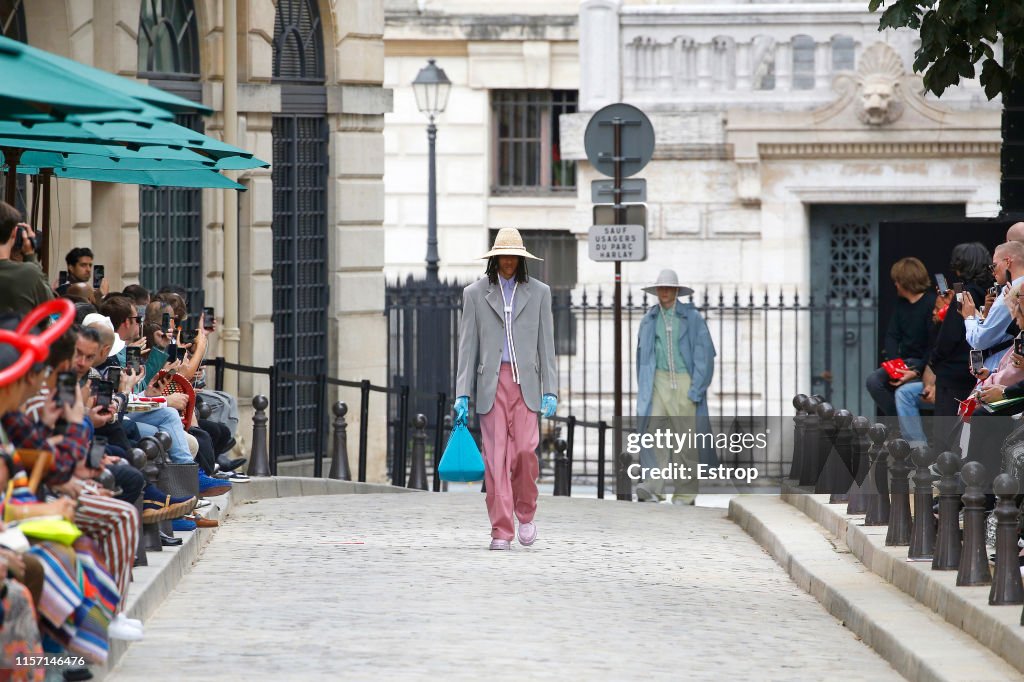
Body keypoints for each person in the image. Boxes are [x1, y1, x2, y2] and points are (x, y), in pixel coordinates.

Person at [455, 228, 557, 551]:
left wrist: (550, 389)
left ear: (522, 259)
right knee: (496, 460)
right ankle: (501, 529)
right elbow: (466, 347)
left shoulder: (540, 293)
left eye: (514, 256)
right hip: (491, 384)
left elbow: (547, 346)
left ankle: (525, 512)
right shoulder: (475, 294)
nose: (509, 261)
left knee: (525, 452)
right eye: (504, 256)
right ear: (495, 258)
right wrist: (462, 393)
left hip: (526, 384)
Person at [634, 269, 716, 505]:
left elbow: (705, 354)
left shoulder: (692, 318)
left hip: (684, 382)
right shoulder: (649, 319)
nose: (665, 292)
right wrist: (644, 388)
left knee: (686, 442)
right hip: (657, 382)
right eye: (661, 288)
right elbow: (642, 357)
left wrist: (697, 388)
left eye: (669, 287)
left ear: (677, 290)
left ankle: (685, 494)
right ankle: (653, 488)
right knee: (653, 435)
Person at [865, 257, 935, 419]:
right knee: (873, 381)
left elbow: (933, 345)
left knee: (903, 390)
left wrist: (917, 370)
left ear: (906, 281)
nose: (895, 285)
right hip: (904, 361)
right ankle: (898, 422)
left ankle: (903, 425)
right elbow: (891, 335)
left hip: (923, 362)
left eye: (897, 281)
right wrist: (896, 364)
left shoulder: (930, 303)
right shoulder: (901, 304)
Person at [961, 241, 1024, 371]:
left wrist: (969, 317)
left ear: (1007, 262)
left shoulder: (1012, 292)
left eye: (993, 266)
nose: (992, 272)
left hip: (1003, 369)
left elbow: (979, 340)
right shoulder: (1014, 290)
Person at [0, 202, 52, 314]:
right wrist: (30, 255)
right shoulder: (28, 273)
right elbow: (50, 307)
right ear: (14, 232)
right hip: (21, 330)